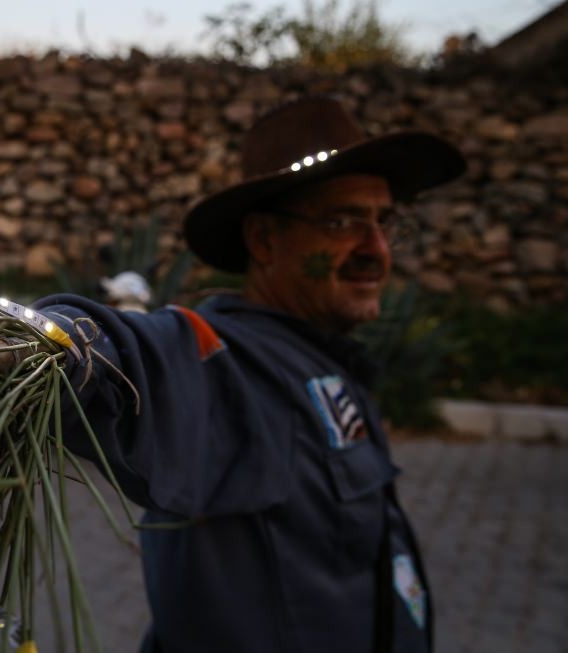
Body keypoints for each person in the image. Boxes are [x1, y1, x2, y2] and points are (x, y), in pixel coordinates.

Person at [30, 96, 467, 653]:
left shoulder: (323, 361)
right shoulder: (230, 365)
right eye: (342, 222)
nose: (376, 250)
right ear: (263, 240)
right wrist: (20, 345)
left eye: (384, 222)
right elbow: (128, 353)